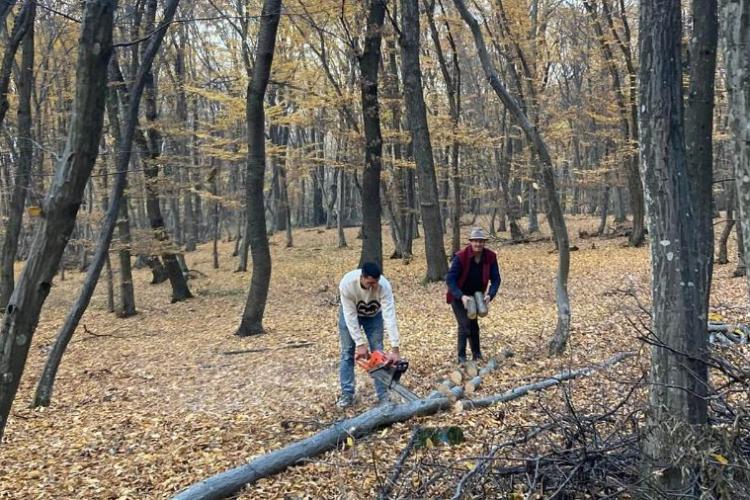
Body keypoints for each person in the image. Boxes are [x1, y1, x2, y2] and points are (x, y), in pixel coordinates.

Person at [336, 262, 401, 408]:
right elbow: (350, 315)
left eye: (375, 282)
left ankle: (383, 396)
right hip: (350, 315)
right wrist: (359, 343)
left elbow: (389, 316)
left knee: (378, 352)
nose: (373, 286)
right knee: (347, 352)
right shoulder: (347, 284)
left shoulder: (384, 286)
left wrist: (395, 348)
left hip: (374, 316)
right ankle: (347, 394)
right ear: (362, 277)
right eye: (370, 283)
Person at [445, 227, 501, 364]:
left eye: (481, 241)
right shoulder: (461, 256)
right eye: (475, 241)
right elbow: (450, 279)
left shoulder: (490, 256)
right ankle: (461, 357)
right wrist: (461, 296)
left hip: (477, 295)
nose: (478, 244)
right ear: (470, 242)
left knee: (474, 325)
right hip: (459, 295)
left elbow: (496, 279)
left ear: (484, 242)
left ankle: (477, 354)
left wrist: (489, 295)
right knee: (464, 324)